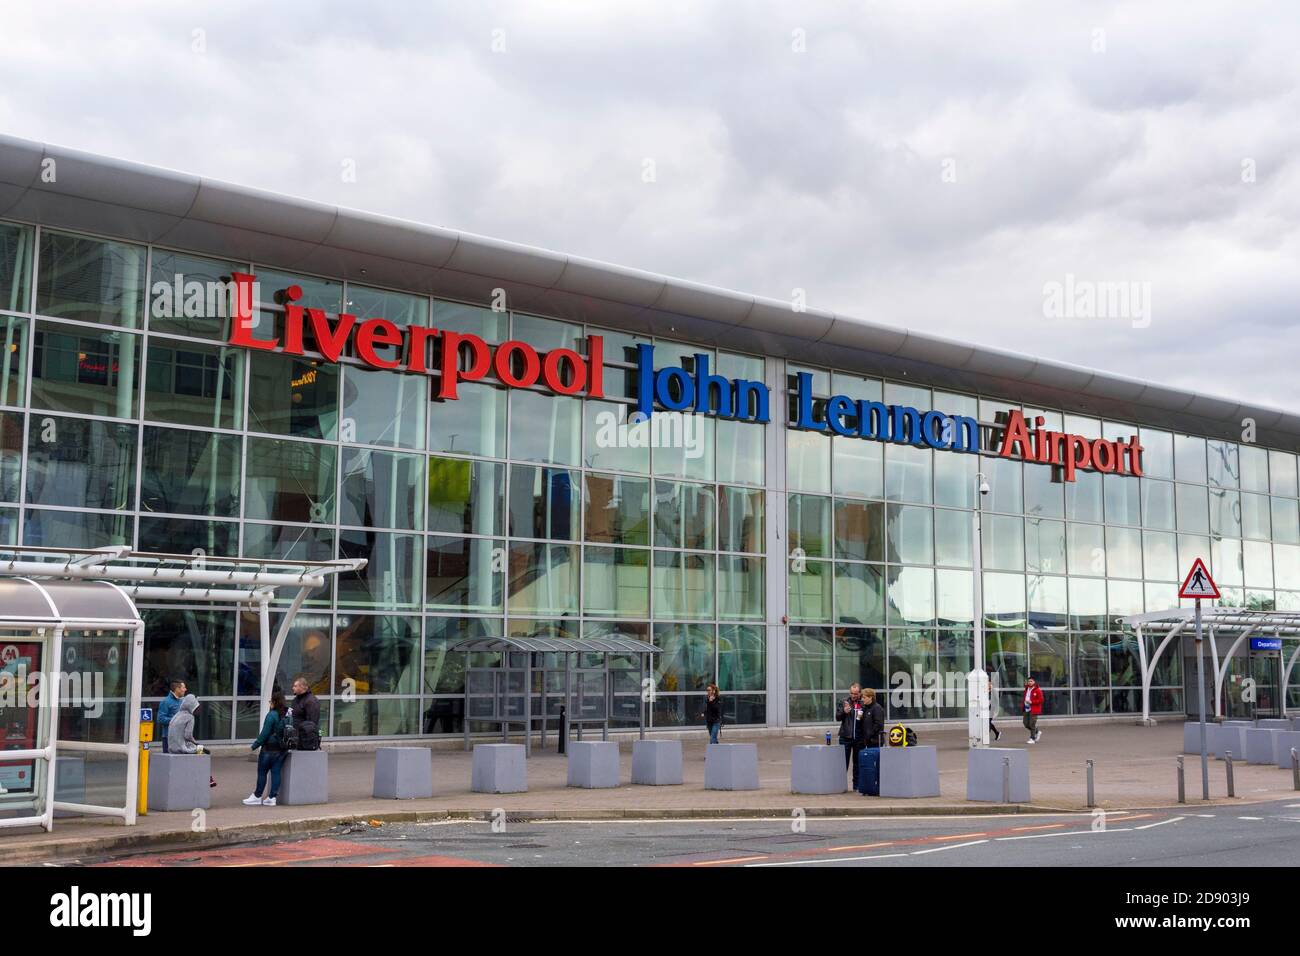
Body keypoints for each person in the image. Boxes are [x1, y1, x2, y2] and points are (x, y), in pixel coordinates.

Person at [244, 691, 288, 807]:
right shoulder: (286, 714)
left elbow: (264, 733)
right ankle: (272, 798)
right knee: (276, 772)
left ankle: (257, 796)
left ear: (274, 702)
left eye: (270, 701)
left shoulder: (271, 715)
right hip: (281, 749)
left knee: (262, 773)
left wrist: (254, 745)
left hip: (268, 750)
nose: (270, 703)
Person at [837, 683, 867, 784]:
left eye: (855, 693)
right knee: (843, 763)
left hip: (859, 738)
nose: (853, 695)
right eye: (851, 693)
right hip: (845, 737)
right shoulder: (844, 701)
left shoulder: (863, 703)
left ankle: (857, 785)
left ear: (860, 693)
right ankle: (841, 784)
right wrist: (844, 712)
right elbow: (837, 717)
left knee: (858, 762)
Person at [155, 679, 186, 754]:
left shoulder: (183, 701)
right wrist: (176, 720)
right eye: (183, 687)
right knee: (168, 763)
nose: (185, 689)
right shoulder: (166, 702)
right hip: (169, 738)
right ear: (177, 689)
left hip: (182, 737)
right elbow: (160, 719)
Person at [291, 675, 321, 750]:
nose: (293, 688)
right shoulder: (296, 700)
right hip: (296, 738)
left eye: (295, 686)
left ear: (301, 687)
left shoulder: (311, 701)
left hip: (305, 740)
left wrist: (307, 740)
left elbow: (312, 723)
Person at [1022, 676, 1044, 743]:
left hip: (1034, 709)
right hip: (1026, 708)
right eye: (1029, 681)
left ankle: (1032, 738)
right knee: (1026, 724)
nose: (1030, 682)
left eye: (1031, 681)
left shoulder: (1037, 690)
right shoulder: (1026, 688)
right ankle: (1037, 731)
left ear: (1034, 682)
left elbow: (1041, 700)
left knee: (1032, 724)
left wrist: (1032, 702)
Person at [986, 665, 1001, 742]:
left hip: (991, 708)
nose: (987, 684)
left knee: (987, 722)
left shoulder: (993, 690)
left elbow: (996, 699)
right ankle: (997, 733)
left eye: (988, 682)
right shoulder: (983, 690)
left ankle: (985, 737)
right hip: (985, 708)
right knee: (986, 722)